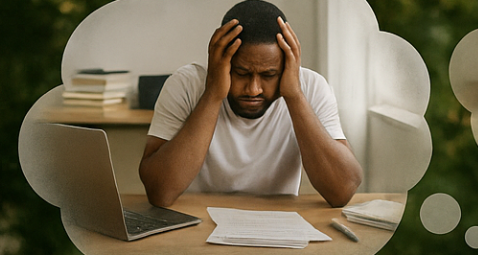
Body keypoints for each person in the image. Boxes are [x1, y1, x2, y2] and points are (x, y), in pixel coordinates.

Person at [139, 0, 362, 208]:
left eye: (269, 75)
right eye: (241, 73)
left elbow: (341, 191)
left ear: (286, 67)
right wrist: (213, 94)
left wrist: (294, 96)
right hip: (199, 221)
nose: (253, 89)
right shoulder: (186, 84)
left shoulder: (311, 87)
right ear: (220, 62)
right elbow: (160, 192)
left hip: (276, 225)